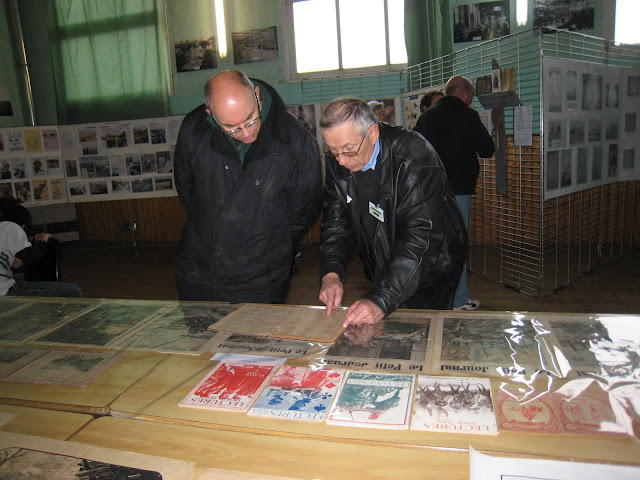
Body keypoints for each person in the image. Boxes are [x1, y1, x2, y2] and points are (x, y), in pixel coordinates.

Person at [174, 70, 322, 303]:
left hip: (260, 278)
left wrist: (266, 242)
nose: (246, 132)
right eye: (231, 127)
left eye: (251, 119)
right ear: (211, 114)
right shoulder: (194, 129)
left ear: (257, 95)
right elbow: (186, 188)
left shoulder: (294, 139)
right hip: (198, 271)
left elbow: (304, 207)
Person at [318, 97, 467, 327]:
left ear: (373, 133)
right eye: (333, 151)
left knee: (423, 331)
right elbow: (335, 222)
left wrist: (380, 300)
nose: (342, 161)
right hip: (386, 261)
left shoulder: (414, 156)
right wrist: (331, 273)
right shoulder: (338, 159)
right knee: (389, 331)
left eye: (349, 150)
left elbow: (421, 237)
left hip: (430, 268)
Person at [413, 75, 494, 311]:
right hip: (458, 191)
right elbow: (487, 150)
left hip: (429, 191)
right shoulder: (468, 115)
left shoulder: (426, 117)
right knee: (456, 246)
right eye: (472, 95)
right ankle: (458, 300)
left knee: (431, 245)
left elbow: (413, 151)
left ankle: (433, 299)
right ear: (465, 93)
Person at [0, 197, 82, 298]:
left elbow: (16, 264)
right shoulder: (10, 227)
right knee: (73, 291)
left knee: (24, 276)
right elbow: (31, 257)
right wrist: (41, 241)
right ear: (23, 226)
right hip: (5, 292)